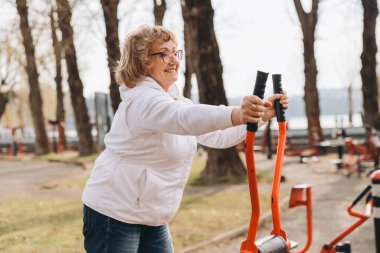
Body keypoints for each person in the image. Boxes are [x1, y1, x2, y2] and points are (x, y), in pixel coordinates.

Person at [81, 25, 289, 253]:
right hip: (114, 214)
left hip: (152, 216)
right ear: (142, 61)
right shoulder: (142, 100)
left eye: (175, 53)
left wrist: (261, 115)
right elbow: (185, 119)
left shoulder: (174, 99)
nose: (173, 60)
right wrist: (237, 113)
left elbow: (219, 136)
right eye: (163, 54)